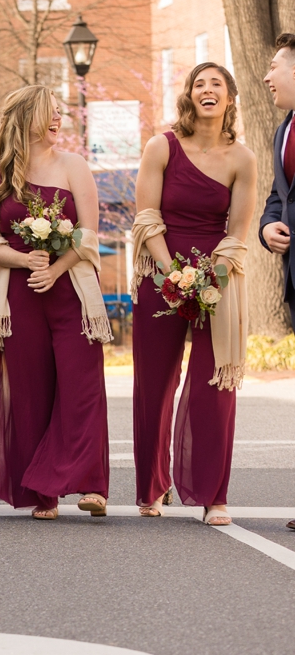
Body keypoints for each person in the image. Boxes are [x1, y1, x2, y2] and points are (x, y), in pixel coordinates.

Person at [0, 85, 110, 520]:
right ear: (25, 118)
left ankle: (92, 484)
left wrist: (56, 267)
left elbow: (89, 235)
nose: (57, 120)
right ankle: (44, 494)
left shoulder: (74, 166)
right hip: (20, 294)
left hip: (72, 291)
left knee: (82, 385)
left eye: (59, 113)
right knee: (31, 391)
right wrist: (21, 259)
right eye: (48, 113)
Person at [132, 64, 256, 525]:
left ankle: (213, 496)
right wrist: (173, 276)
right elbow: (146, 219)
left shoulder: (242, 158)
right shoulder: (161, 146)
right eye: (199, 84)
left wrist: (210, 281)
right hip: (161, 275)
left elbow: (237, 233)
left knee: (215, 385)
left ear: (229, 98)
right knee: (155, 383)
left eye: (216, 84)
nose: (207, 90)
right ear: (189, 96)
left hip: (217, 282)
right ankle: (151, 488)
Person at [256, 33, 295, 531]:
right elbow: (276, 196)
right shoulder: (283, 130)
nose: (266, 77)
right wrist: (267, 228)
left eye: (276, 66)